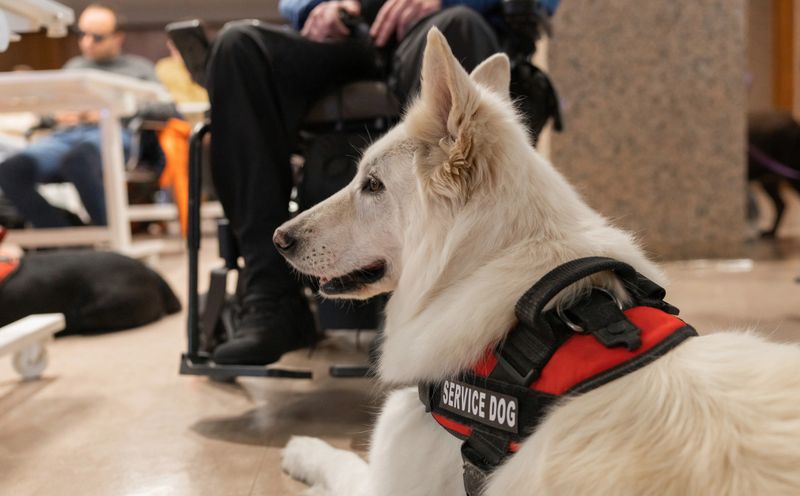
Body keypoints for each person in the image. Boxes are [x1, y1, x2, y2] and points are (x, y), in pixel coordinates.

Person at [206, 0, 558, 366]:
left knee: (459, 27)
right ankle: (271, 297)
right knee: (237, 45)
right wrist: (315, 7)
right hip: (349, 35)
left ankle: (448, 310)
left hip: (432, 22)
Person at [0, 4, 159, 228]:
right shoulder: (74, 67)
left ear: (118, 38)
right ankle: (63, 230)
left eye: (97, 37)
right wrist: (57, 115)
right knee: (10, 169)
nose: (87, 42)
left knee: (78, 160)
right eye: (82, 34)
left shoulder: (138, 68)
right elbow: (48, 111)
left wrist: (108, 110)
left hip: (111, 134)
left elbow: (164, 107)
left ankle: (108, 231)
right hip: (63, 138)